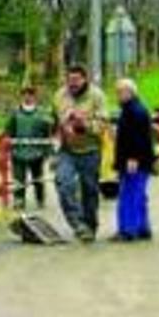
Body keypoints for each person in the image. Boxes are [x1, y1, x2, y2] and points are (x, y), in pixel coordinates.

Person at [52, 65, 108, 242]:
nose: (72, 84)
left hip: (90, 150)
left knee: (89, 190)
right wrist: (53, 147)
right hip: (66, 150)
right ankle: (78, 224)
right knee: (63, 183)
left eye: (76, 80)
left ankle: (90, 226)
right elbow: (52, 123)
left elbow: (103, 124)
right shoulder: (59, 95)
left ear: (85, 79)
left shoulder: (97, 96)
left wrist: (83, 125)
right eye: (70, 80)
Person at [112, 79, 157, 242]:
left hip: (134, 160)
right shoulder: (134, 109)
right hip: (141, 160)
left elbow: (137, 138)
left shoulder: (134, 111)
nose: (117, 95)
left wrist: (133, 158)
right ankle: (143, 227)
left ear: (129, 92)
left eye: (120, 92)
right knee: (138, 194)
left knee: (129, 194)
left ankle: (128, 230)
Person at [4, 86, 54, 210]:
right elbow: (8, 131)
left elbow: (48, 133)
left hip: (37, 152)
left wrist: (48, 151)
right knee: (18, 178)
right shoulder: (15, 113)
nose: (27, 97)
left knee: (38, 178)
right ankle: (19, 200)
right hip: (18, 152)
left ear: (34, 97)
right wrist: (7, 144)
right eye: (25, 94)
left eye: (30, 94)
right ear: (22, 96)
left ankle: (40, 198)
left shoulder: (42, 114)